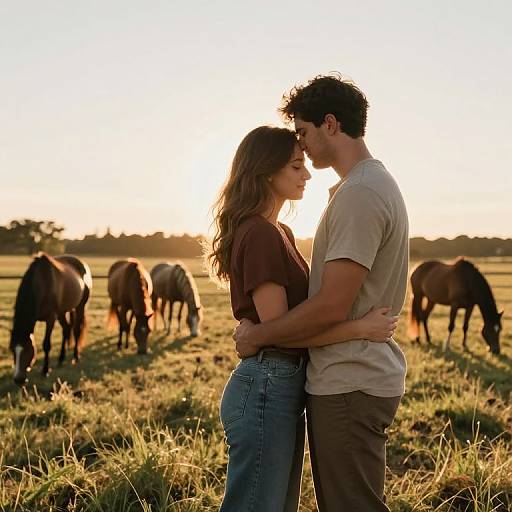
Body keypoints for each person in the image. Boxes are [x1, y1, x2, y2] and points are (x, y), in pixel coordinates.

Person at [234, 75, 409, 511]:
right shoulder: (360, 189)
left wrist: (258, 336)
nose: (303, 148)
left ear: (330, 124)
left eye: (304, 133)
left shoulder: (361, 193)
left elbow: (331, 304)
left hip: (351, 378)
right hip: (346, 375)